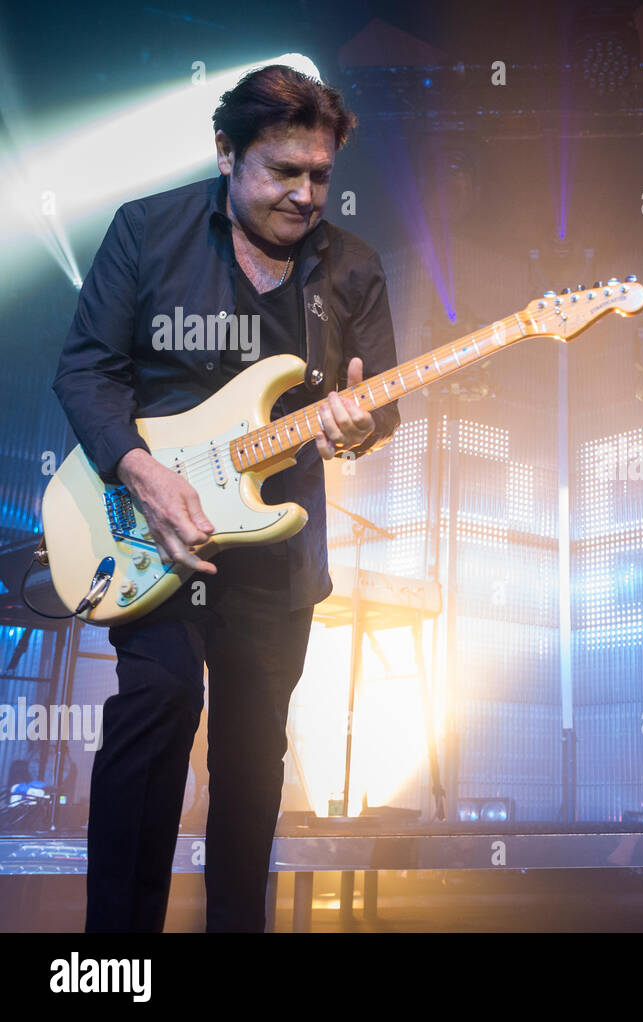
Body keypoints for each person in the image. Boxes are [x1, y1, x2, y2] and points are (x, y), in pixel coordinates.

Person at [51, 65, 400, 932]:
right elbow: (88, 368)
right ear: (225, 154)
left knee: (253, 767)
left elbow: (379, 399)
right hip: (156, 531)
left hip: (277, 555)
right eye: (283, 171)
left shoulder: (351, 269)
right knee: (158, 709)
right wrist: (141, 469)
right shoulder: (148, 232)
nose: (305, 193)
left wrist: (362, 425)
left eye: (320, 175)